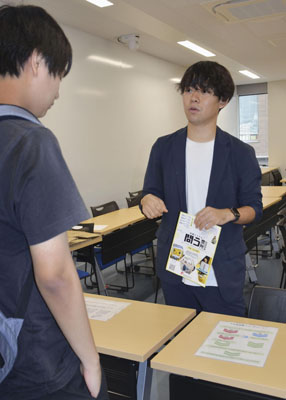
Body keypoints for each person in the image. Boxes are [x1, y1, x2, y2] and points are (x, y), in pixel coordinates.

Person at [0, 5, 108, 400]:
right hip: (34, 358)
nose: (59, 90)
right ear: (34, 62)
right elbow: (56, 275)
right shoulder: (31, 143)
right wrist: (92, 360)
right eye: (59, 73)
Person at [141, 61, 262, 317]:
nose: (193, 98)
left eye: (204, 91)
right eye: (188, 90)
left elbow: (254, 209)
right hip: (176, 266)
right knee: (180, 345)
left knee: (225, 344)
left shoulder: (240, 153)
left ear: (223, 100)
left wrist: (227, 214)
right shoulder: (163, 147)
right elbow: (150, 191)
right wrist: (147, 200)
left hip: (221, 270)